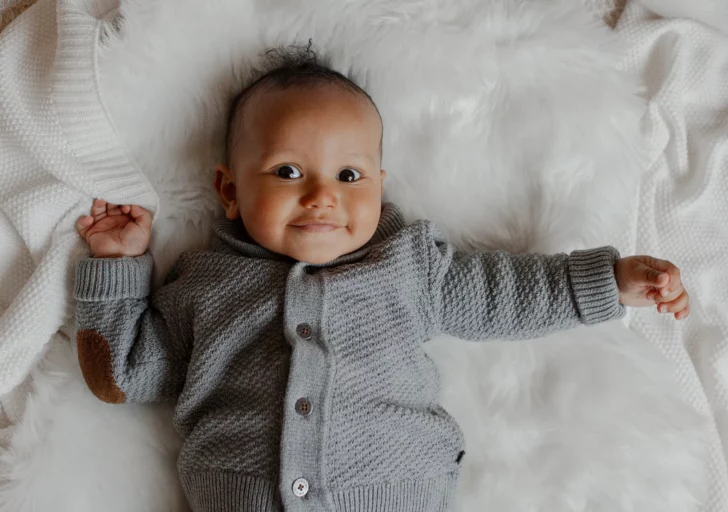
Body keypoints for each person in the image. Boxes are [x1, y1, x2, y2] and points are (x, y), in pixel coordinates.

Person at [73, 46, 690, 512]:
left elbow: (503, 295)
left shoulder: (406, 266)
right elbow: (122, 374)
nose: (321, 196)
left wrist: (608, 282)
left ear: (380, 185)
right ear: (230, 190)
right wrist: (117, 266)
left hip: (394, 487)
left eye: (348, 176)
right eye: (288, 171)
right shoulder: (205, 284)